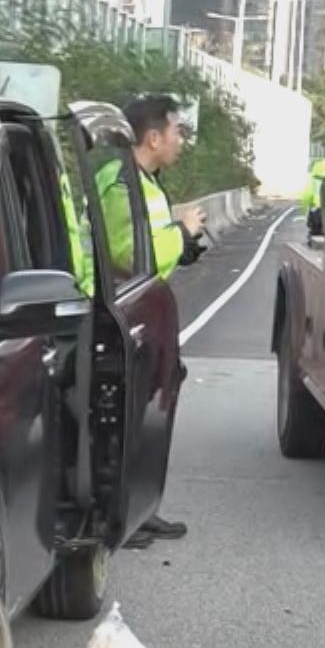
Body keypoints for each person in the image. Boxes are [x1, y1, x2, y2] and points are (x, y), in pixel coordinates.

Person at [98, 93, 203, 545]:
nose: (181, 140)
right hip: (122, 313)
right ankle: (124, 513)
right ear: (154, 137)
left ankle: (142, 508)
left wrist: (183, 242)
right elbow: (132, 255)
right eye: (177, 131)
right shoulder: (123, 184)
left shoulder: (142, 180)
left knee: (151, 410)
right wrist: (182, 234)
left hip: (141, 309)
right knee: (129, 417)